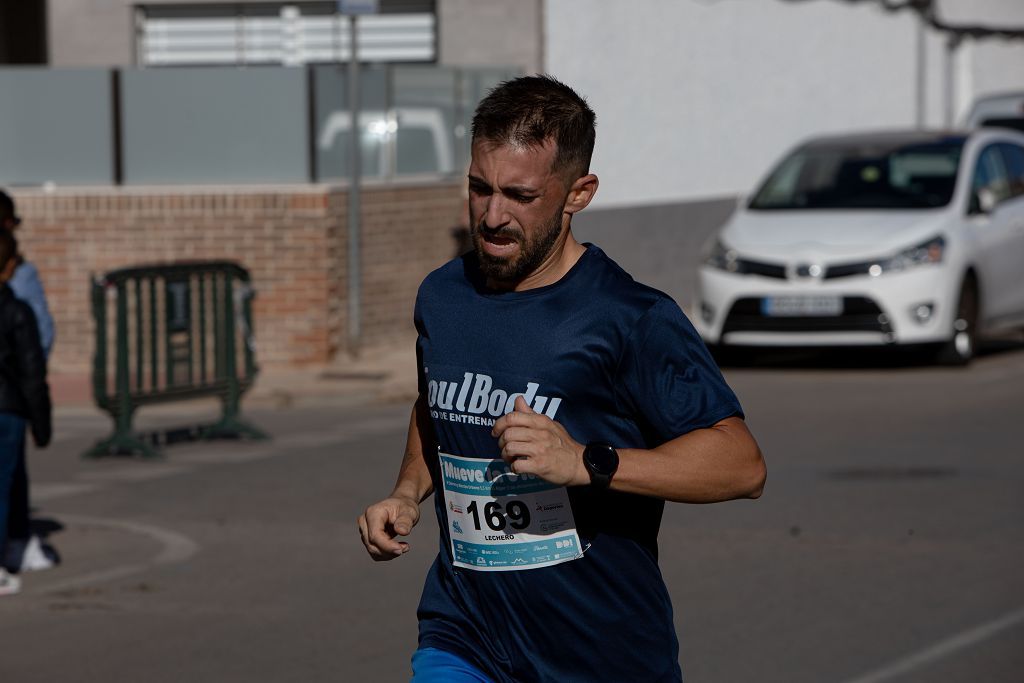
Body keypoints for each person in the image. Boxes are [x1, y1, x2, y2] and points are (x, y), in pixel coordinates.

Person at [358, 75, 766, 682]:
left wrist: (585, 463)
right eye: (479, 188)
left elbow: (741, 465)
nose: (493, 215)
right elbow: (435, 408)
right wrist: (405, 491)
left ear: (579, 193)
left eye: (520, 195)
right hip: (464, 633)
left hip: (598, 651)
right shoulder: (444, 295)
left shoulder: (631, 318)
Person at [0, 189, 57, 573]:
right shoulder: (19, 295)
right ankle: (11, 551)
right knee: (5, 485)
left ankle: (18, 542)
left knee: (10, 480)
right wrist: (40, 419)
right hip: (10, 404)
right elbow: (34, 357)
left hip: (11, 402)